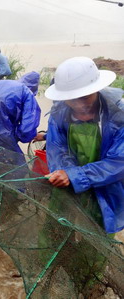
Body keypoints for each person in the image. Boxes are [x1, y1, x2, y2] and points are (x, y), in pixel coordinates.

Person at [44, 56, 124, 234]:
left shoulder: (119, 116)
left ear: (96, 89)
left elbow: (118, 163)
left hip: (106, 186)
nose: (78, 105)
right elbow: (56, 148)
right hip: (68, 184)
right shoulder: (59, 113)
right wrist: (65, 174)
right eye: (71, 99)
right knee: (57, 231)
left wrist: (76, 175)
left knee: (99, 234)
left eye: (84, 98)